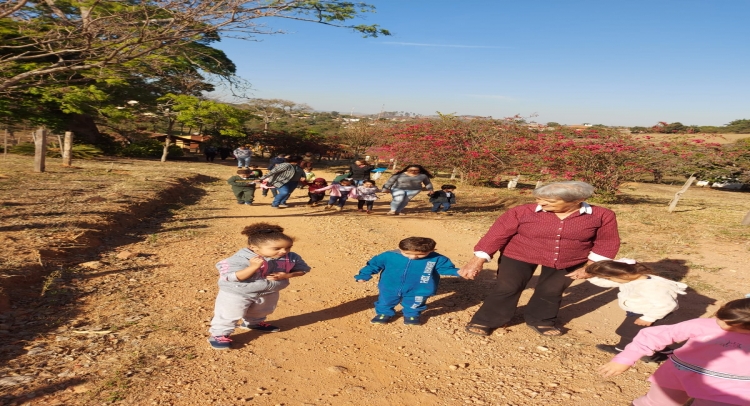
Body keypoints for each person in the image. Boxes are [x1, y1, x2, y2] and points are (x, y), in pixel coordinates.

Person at [460, 181, 620, 337]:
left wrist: (591, 267)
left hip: (568, 258)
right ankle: (488, 320)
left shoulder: (602, 216)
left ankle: (541, 319)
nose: (540, 203)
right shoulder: (522, 211)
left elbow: (606, 242)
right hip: (519, 254)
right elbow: (496, 235)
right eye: (538, 199)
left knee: (552, 290)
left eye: (549, 201)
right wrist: (477, 260)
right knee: (508, 287)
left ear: (577, 201)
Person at [598, 298, 750, 406]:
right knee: (657, 403)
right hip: (678, 375)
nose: (719, 322)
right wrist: (625, 358)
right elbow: (655, 335)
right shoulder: (703, 325)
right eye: (720, 316)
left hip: (729, 387)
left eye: (730, 324)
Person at [207, 223, 311, 350]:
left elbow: (303, 270)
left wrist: (287, 275)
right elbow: (230, 277)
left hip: (269, 291)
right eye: (277, 248)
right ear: (254, 248)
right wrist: (252, 267)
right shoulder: (239, 259)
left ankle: (253, 324)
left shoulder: (291, 257)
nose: (284, 251)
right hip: (237, 293)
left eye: (288, 247)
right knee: (229, 314)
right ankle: (219, 334)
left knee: (262, 310)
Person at [585, 259, 687, 359]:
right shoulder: (632, 278)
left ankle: (645, 355)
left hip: (650, 314)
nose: (610, 281)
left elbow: (667, 305)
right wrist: (590, 277)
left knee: (629, 332)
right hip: (642, 312)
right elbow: (610, 283)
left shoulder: (650, 287)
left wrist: (648, 318)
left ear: (622, 275)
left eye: (609, 278)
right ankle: (664, 351)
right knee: (653, 335)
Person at [355, 237, 462, 325]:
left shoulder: (437, 259)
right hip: (390, 286)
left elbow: (445, 268)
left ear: (431, 251)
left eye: (420, 255)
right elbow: (374, 264)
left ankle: (412, 315)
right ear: (400, 249)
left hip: (419, 288)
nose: (413, 257)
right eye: (407, 253)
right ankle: (383, 313)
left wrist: (459, 272)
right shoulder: (389, 256)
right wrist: (364, 275)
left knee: (415, 303)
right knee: (385, 301)